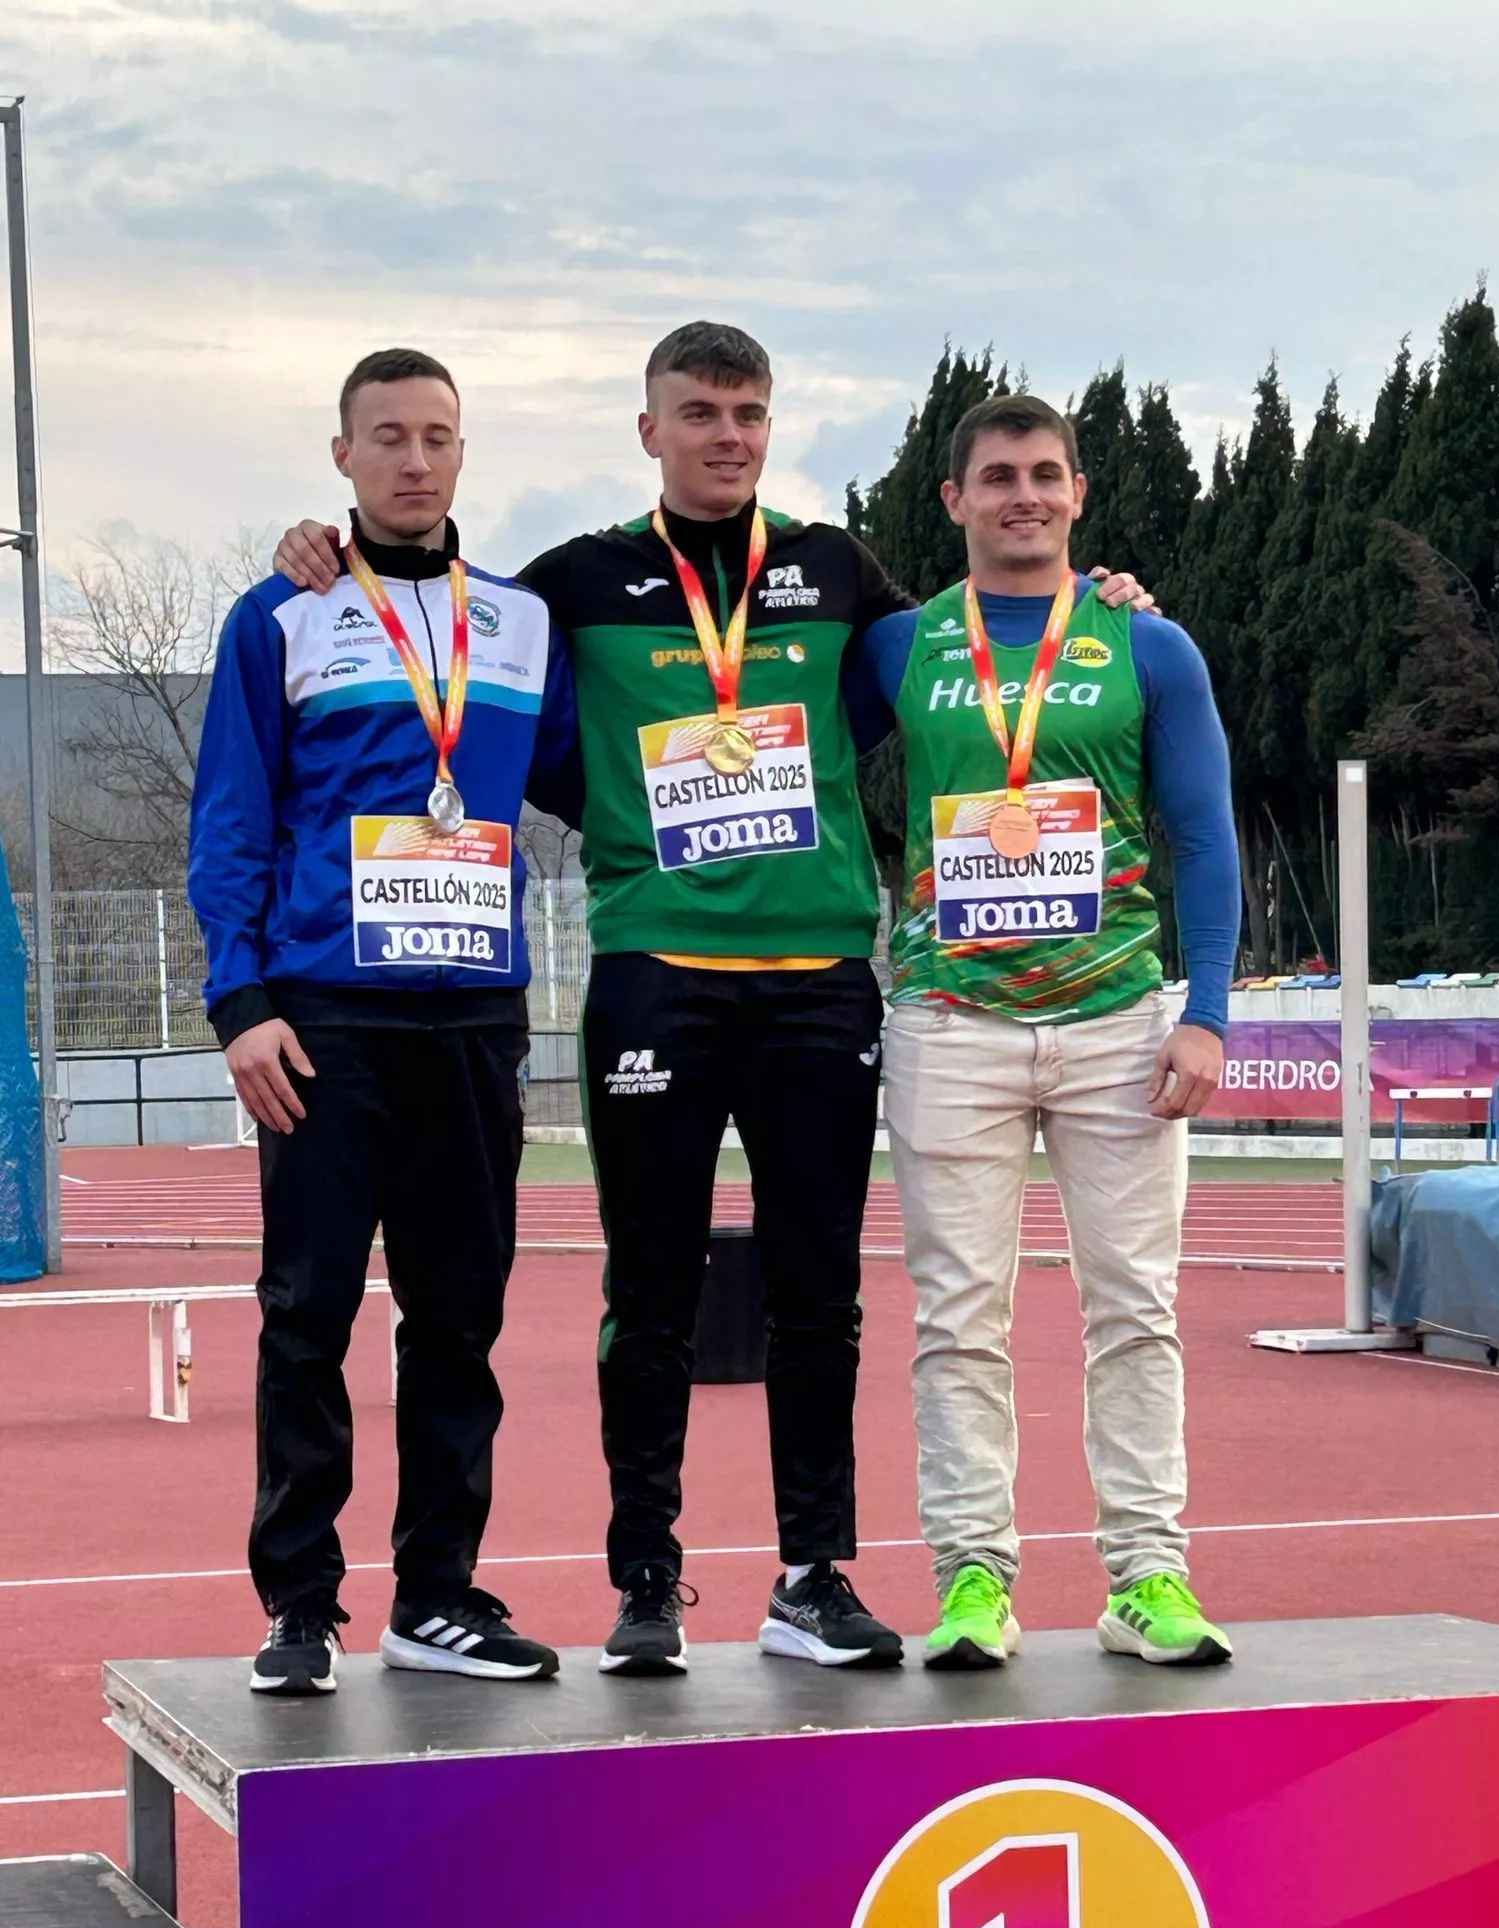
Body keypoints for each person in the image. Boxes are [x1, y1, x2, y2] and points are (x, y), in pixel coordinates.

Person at [271, 326, 1147, 1680]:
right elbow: (478, 689)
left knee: (817, 1293)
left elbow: (965, 660)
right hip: (655, 977)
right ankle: (648, 1584)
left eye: (747, 412)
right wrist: (314, 554)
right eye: (699, 412)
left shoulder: (838, 569)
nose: (727, 434)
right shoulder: (572, 583)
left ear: (769, 425)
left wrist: (1096, 608)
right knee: (655, 1288)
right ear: (650, 431)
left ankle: (813, 1577)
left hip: (815, 984)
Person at [190, 348, 577, 1695]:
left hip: (474, 1021)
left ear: (465, 454)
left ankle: (440, 1595)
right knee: (307, 1314)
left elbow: (624, 777)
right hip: (323, 1022)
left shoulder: (524, 623)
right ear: (342, 455)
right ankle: (300, 1605)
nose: (415, 461)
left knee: (458, 1315)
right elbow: (231, 820)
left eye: (439, 438)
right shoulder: (281, 615)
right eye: (388, 438)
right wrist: (240, 1000)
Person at [851, 393, 1241, 1671]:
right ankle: (973, 1576)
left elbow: (1203, 835)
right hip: (950, 1025)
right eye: (998, 476)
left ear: (1077, 494)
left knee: (1136, 1308)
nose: (1024, 494)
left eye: (1047, 475)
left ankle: (1148, 1578)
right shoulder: (899, 646)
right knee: (959, 1317)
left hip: (1120, 1025)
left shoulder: (1149, 646)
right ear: (953, 500)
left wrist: (1210, 1011)